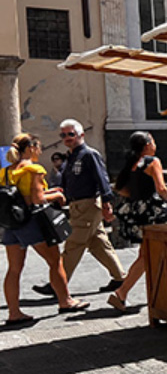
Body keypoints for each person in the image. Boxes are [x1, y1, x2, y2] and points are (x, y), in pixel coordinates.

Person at [3, 133, 89, 323]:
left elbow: (23, 194)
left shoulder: (7, 171)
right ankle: (66, 301)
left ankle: (14, 312)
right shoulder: (34, 169)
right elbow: (36, 199)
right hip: (32, 221)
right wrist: (56, 196)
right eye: (39, 147)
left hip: (12, 223)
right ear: (32, 148)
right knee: (55, 261)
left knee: (14, 269)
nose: (40, 151)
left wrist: (50, 191)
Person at [34, 120, 124, 296]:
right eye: (63, 135)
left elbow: (102, 179)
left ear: (81, 135)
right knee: (98, 243)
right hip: (77, 205)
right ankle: (120, 277)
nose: (66, 138)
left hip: (88, 204)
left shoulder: (89, 154)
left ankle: (57, 283)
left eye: (70, 134)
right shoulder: (72, 156)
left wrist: (107, 203)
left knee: (74, 244)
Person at [108, 132, 167, 312]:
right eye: (153, 141)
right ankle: (122, 292)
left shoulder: (132, 164)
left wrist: (137, 199)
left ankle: (142, 293)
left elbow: (120, 189)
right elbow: (161, 189)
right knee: (149, 255)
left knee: (145, 254)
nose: (154, 145)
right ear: (147, 145)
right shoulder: (153, 162)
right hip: (153, 213)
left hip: (138, 212)